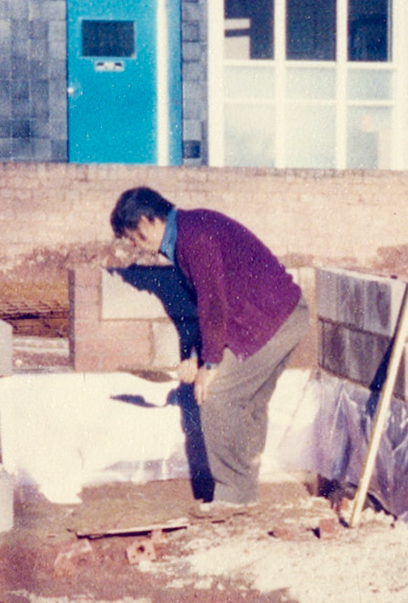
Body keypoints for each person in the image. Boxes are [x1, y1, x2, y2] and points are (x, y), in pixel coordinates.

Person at [110, 187, 308, 510]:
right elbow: (210, 303)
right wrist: (195, 357)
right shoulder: (186, 233)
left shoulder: (193, 239)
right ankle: (245, 490)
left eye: (132, 234)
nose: (132, 243)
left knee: (216, 396)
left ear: (147, 220)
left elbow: (213, 303)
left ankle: (234, 496)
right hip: (285, 314)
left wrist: (210, 366)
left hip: (273, 320)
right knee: (248, 401)